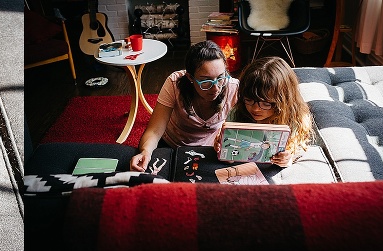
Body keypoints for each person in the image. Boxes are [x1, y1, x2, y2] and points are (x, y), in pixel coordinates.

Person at [130, 40, 239, 172]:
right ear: (190, 77)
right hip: (172, 145)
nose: (215, 88)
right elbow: (154, 130)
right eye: (205, 81)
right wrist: (145, 151)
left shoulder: (233, 87)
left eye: (221, 77)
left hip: (211, 149)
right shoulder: (174, 83)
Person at [216, 56, 313, 167]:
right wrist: (223, 151)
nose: (256, 109)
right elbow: (230, 156)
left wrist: (287, 159)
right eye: (249, 100)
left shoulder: (294, 118)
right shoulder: (237, 113)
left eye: (266, 104)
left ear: (283, 101)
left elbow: (295, 151)